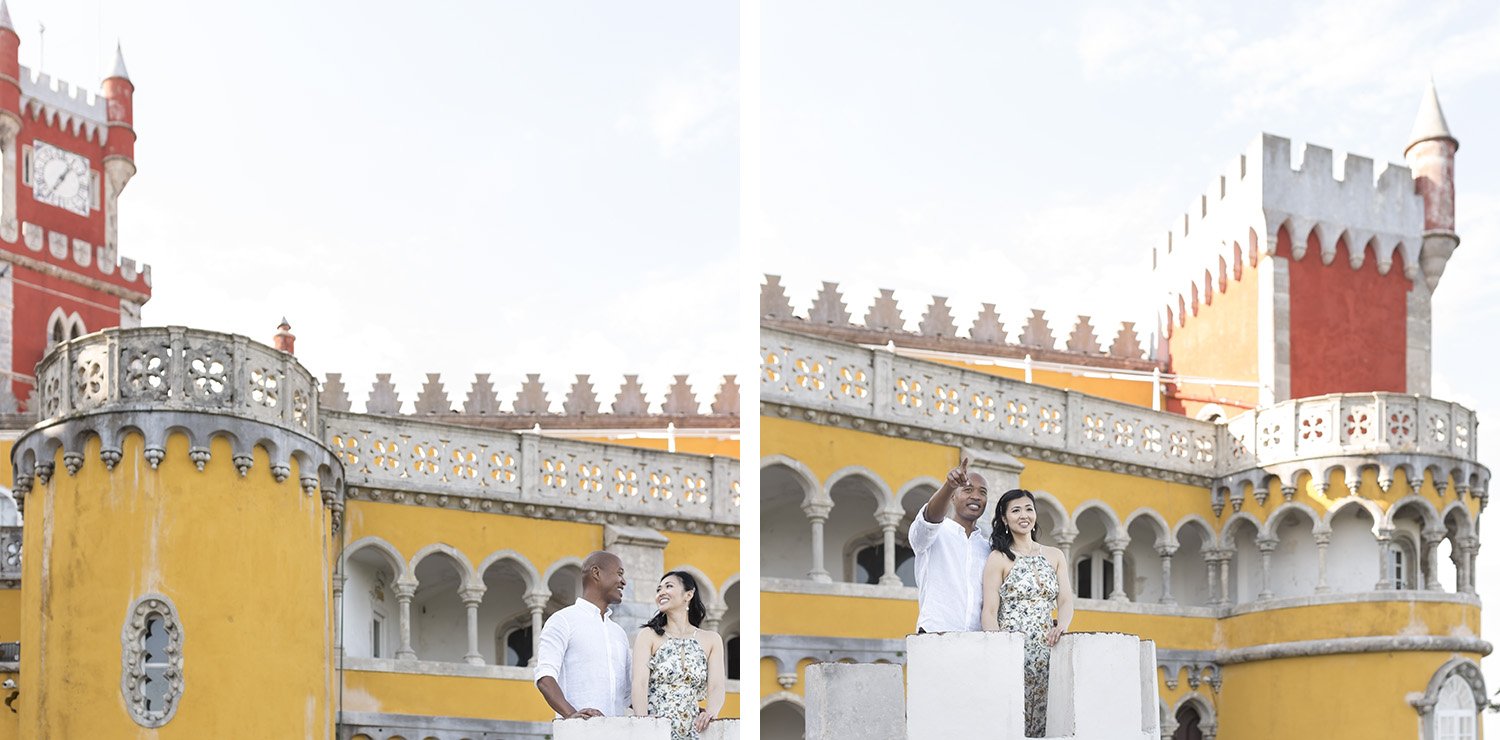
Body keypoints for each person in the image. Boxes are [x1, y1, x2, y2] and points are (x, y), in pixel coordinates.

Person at [981, 489, 1073, 738]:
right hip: (1013, 653)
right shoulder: (998, 558)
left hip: (1048, 652)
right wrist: (1002, 652)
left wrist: (1062, 625)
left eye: (1029, 509)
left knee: (1049, 721)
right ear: (1004, 518)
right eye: (1016, 510)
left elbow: (1065, 599)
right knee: (1013, 722)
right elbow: (989, 612)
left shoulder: (1055, 555)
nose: (1024, 515)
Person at [534, 551, 632, 719]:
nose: (624, 581)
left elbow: (629, 695)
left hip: (617, 732)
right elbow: (545, 677)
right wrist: (572, 715)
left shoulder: (619, 633)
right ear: (596, 573)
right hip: (578, 733)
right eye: (619, 573)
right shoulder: (562, 620)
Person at [630, 571, 726, 740]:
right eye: (659, 589)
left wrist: (710, 713)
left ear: (688, 594)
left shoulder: (712, 640)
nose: (661, 592)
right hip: (656, 729)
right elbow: (639, 683)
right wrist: (643, 724)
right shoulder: (648, 635)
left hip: (694, 730)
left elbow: (717, 685)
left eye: (669, 586)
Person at [908, 457, 991, 633]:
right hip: (935, 633)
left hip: (977, 640)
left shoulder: (987, 548)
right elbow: (929, 519)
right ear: (952, 497)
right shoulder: (935, 533)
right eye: (967, 490)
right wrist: (949, 485)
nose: (976, 496)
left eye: (982, 492)